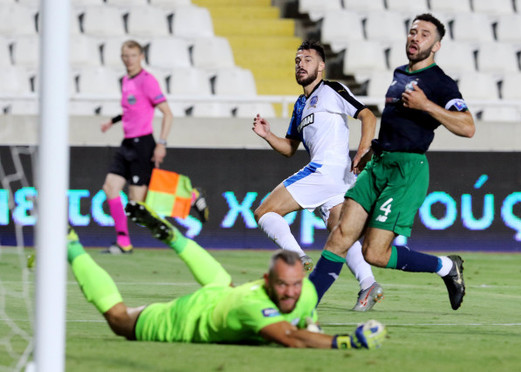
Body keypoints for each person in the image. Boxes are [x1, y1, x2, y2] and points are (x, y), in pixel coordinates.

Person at [308, 14, 475, 311]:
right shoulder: (400, 73)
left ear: (436, 46)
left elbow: (468, 127)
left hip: (406, 172)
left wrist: (426, 105)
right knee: (341, 234)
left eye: (424, 34)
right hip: (378, 164)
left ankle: (446, 267)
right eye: (412, 32)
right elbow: (397, 123)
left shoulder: (441, 83)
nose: (415, 37)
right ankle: (304, 305)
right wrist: (373, 150)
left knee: (375, 253)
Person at [66, 200, 387, 349]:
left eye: (294, 285)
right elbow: (290, 338)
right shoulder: (255, 308)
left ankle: (173, 237)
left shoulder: (301, 294)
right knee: (121, 321)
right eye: (283, 287)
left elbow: (308, 319)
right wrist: (345, 341)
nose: (290, 293)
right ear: (266, 282)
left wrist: (314, 326)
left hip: (225, 295)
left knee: (223, 284)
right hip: (187, 319)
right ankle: (70, 245)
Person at [252, 40, 383, 311]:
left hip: (328, 170)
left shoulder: (332, 89)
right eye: (297, 61)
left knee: (265, 212)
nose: (301, 64)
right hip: (336, 180)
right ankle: (369, 283)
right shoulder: (300, 105)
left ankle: (298, 258)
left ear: (321, 66)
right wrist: (267, 135)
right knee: (340, 232)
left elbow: (368, 116)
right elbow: (289, 148)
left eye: (308, 60)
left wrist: (362, 149)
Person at [99, 40, 207, 254]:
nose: (128, 60)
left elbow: (167, 113)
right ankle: (123, 243)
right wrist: (112, 121)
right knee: (110, 187)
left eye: (132, 55)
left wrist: (161, 143)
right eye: (124, 55)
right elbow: (132, 109)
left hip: (143, 144)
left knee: (139, 204)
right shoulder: (125, 80)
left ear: (141, 57)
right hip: (127, 143)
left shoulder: (148, 81)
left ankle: (192, 196)